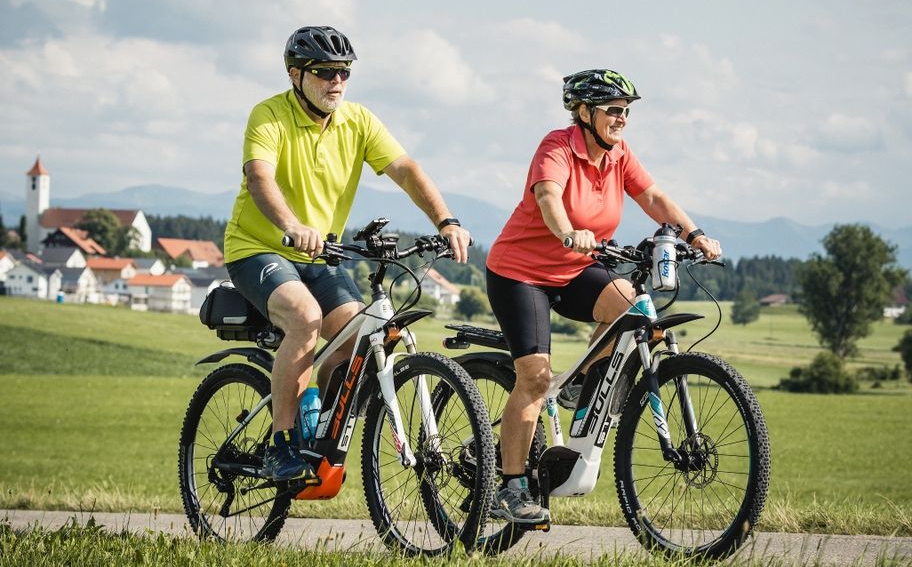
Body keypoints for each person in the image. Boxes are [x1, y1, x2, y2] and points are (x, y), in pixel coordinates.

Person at [224, 26, 472, 482]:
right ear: (296, 75)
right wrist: (293, 226)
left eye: (343, 72)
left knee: (361, 335)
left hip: (321, 256)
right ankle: (282, 443)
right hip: (259, 248)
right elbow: (261, 179)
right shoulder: (269, 115)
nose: (336, 81)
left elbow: (406, 170)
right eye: (324, 72)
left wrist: (446, 221)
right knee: (304, 318)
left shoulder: (358, 121)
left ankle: (316, 427)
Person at [484, 69, 722, 524]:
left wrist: (694, 233)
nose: (622, 119)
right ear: (584, 112)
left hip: (576, 269)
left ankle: (581, 381)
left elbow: (652, 196)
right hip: (521, 274)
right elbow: (549, 198)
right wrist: (568, 232)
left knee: (634, 307)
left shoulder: (619, 155)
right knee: (534, 378)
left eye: (627, 111)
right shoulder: (556, 147)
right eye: (614, 110)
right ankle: (511, 488)